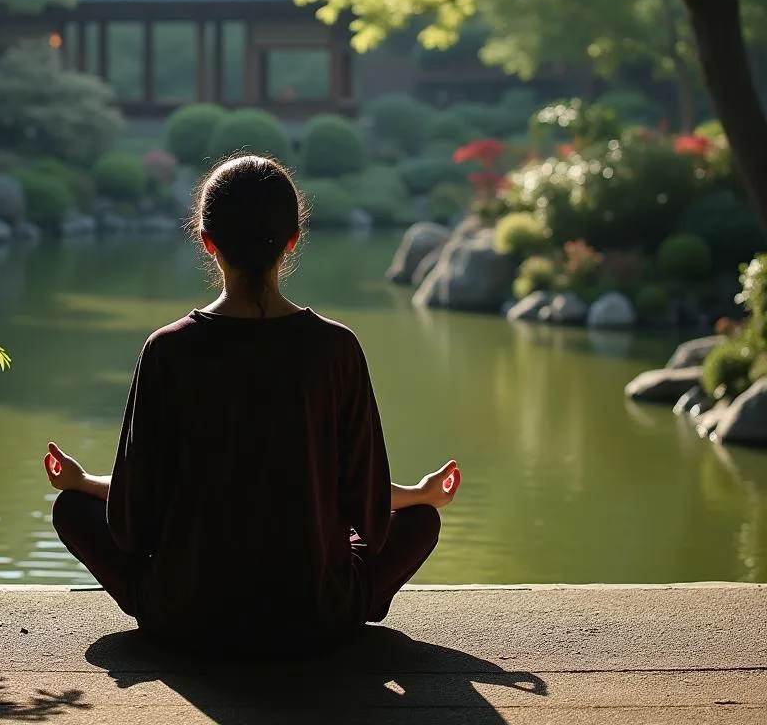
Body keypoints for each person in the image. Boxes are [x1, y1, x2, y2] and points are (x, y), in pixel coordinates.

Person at [44, 154, 461, 653]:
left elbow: (133, 518)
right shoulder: (335, 348)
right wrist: (420, 494)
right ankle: (350, 605)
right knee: (421, 523)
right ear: (291, 240)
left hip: (186, 614)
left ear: (207, 241)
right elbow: (365, 510)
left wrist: (83, 484)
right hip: (314, 614)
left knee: (72, 509)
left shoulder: (168, 350)